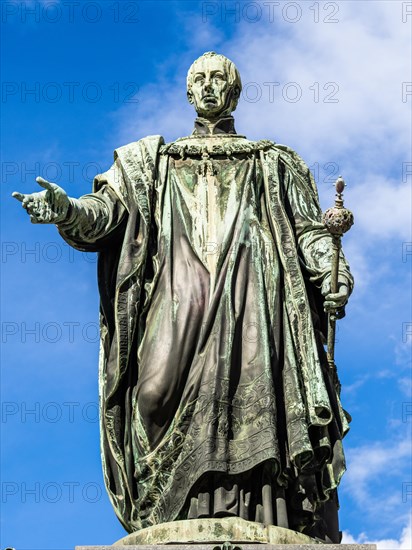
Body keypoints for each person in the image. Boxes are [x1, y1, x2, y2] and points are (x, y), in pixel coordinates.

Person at [13, 52, 353, 543]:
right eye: (199, 79)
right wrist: (67, 210)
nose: (209, 86)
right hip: (177, 292)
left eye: (219, 78)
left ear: (233, 91)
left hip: (255, 294)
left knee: (257, 393)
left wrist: (330, 269)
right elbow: (103, 214)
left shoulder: (274, 161)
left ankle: (259, 512)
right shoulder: (150, 163)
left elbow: (308, 231)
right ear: (188, 92)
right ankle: (169, 513)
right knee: (152, 396)